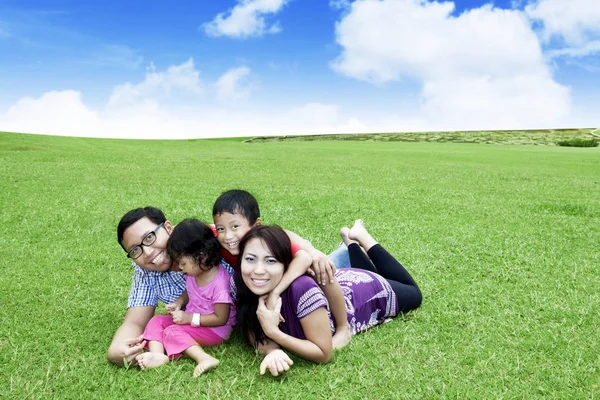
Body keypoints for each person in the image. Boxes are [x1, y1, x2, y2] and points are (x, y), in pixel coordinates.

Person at [235, 221, 422, 376]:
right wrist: (272, 351)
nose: (258, 270)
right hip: (340, 280)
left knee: (414, 294)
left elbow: (324, 353)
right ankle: (351, 244)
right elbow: (253, 331)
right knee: (367, 270)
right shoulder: (244, 286)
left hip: (365, 291)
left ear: (286, 264)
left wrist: (275, 333)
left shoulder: (301, 289)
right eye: (250, 259)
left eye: (270, 261)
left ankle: (363, 238)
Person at [212, 189, 352, 348]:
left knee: (320, 266)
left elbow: (304, 258)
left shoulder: (268, 242)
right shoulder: (221, 239)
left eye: (235, 227)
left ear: (257, 225)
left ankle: (343, 327)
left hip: (296, 262)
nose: (228, 236)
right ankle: (347, 249)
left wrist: (275, 292)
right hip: (266, 274)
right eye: (221, 229)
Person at [136, 219, 236, 377]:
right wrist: (179, 302)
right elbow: (190, 292)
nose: (179, 267)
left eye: (182, 263)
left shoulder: (220, 283)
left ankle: (204, 358)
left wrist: (189, 318)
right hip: (195, 320)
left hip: (215, 329)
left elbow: (221, 318)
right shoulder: (193, 273)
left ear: (201, 256)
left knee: (173, 331)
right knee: (157, 321)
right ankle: (158, 355)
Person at [108, 207, 184, 367]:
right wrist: (116, 349)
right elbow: (135, 321)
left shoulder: (198, 239)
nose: (148, 252)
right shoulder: (145, 270)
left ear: (168, 228)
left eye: (149, 237)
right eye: (136, 250)